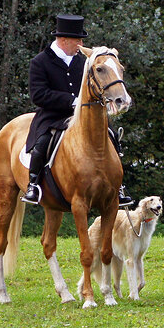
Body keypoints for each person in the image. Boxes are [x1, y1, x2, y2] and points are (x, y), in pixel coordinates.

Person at [21, 14, 134, 208]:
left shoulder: (83, 61)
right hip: (53, 116)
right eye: (78, 40)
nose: (81, 44)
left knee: (112, 136)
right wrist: (72, 101)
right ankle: (33, 184)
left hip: (84, 116)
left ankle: (119, 186)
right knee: (42, 143)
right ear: (64, 40)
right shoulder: (40, 62)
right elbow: (38, 95)